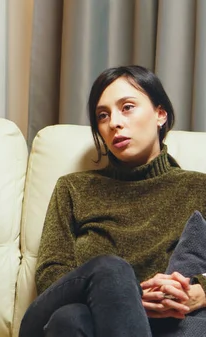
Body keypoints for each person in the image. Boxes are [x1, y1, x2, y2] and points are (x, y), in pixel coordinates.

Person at [20, 65, 206, 336]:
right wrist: (124, 297)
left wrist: (200, 291)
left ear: (160, 114)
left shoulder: (198, 188)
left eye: (127, 107)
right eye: (102, 115)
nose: (114, 122)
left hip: (119, 325)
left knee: (70, 320)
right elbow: (50, 274)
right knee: (109, 270)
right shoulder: (73, 188)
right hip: (53, 312)